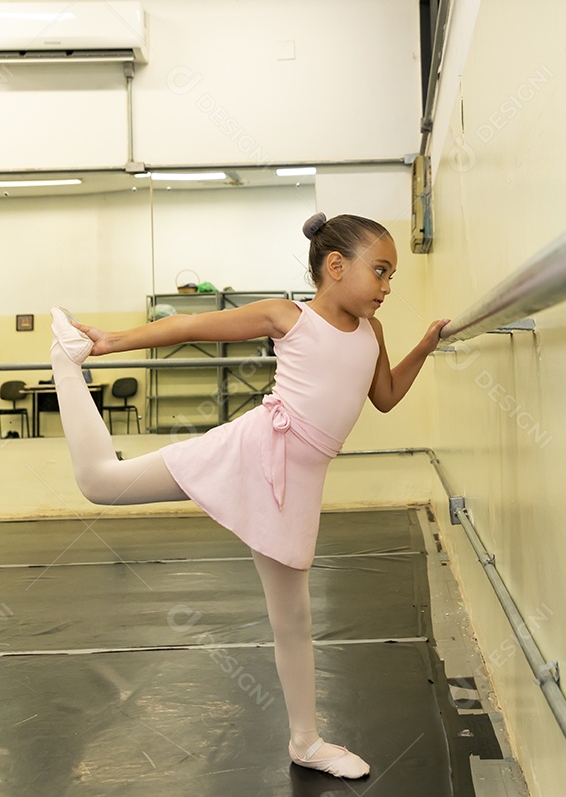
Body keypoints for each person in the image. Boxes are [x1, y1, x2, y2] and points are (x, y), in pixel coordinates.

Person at [50, 212, 449, 780]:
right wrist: (110, 341)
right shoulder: (289, 317)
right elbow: (190, 327)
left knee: (293, 616)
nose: (387, 288)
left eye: (391, 277)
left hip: (296, 483)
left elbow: (384, 396)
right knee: (101, 484)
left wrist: (426, 346)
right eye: (380, 272)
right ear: (336, 267)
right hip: (255, 448)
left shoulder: (372, 332)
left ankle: (305, 742)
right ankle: (66, 362)